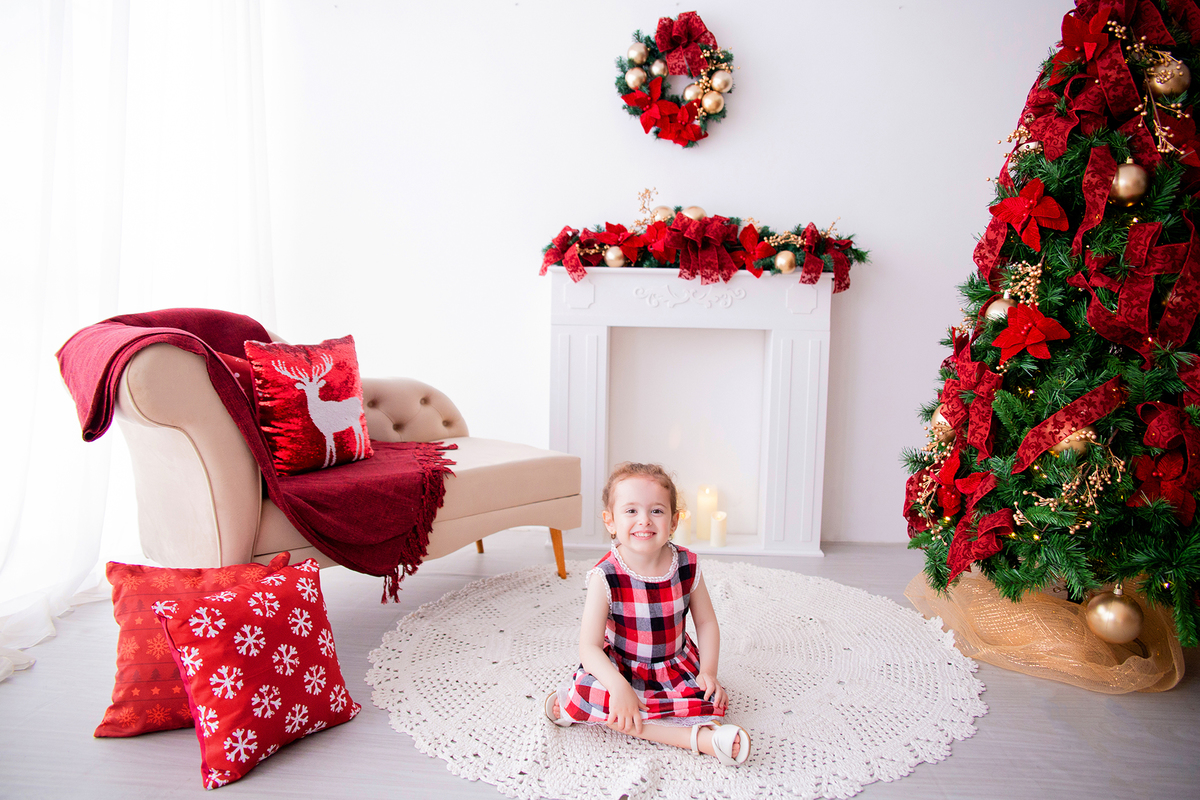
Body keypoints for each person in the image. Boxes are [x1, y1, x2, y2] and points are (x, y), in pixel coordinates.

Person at [545, 462, 750, 766]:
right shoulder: (606, 576)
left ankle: (576, 708)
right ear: (610, 521)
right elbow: (588, 647)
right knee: (599, 694)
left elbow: (706, 622)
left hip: (673, 667)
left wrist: (708, 671)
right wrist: (619, 687)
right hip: (621, 668)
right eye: (631, 511)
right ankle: (700, 739)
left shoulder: (686, 565)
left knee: (709, 700)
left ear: (674, 521)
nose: (644, 521)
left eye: (656, 511)